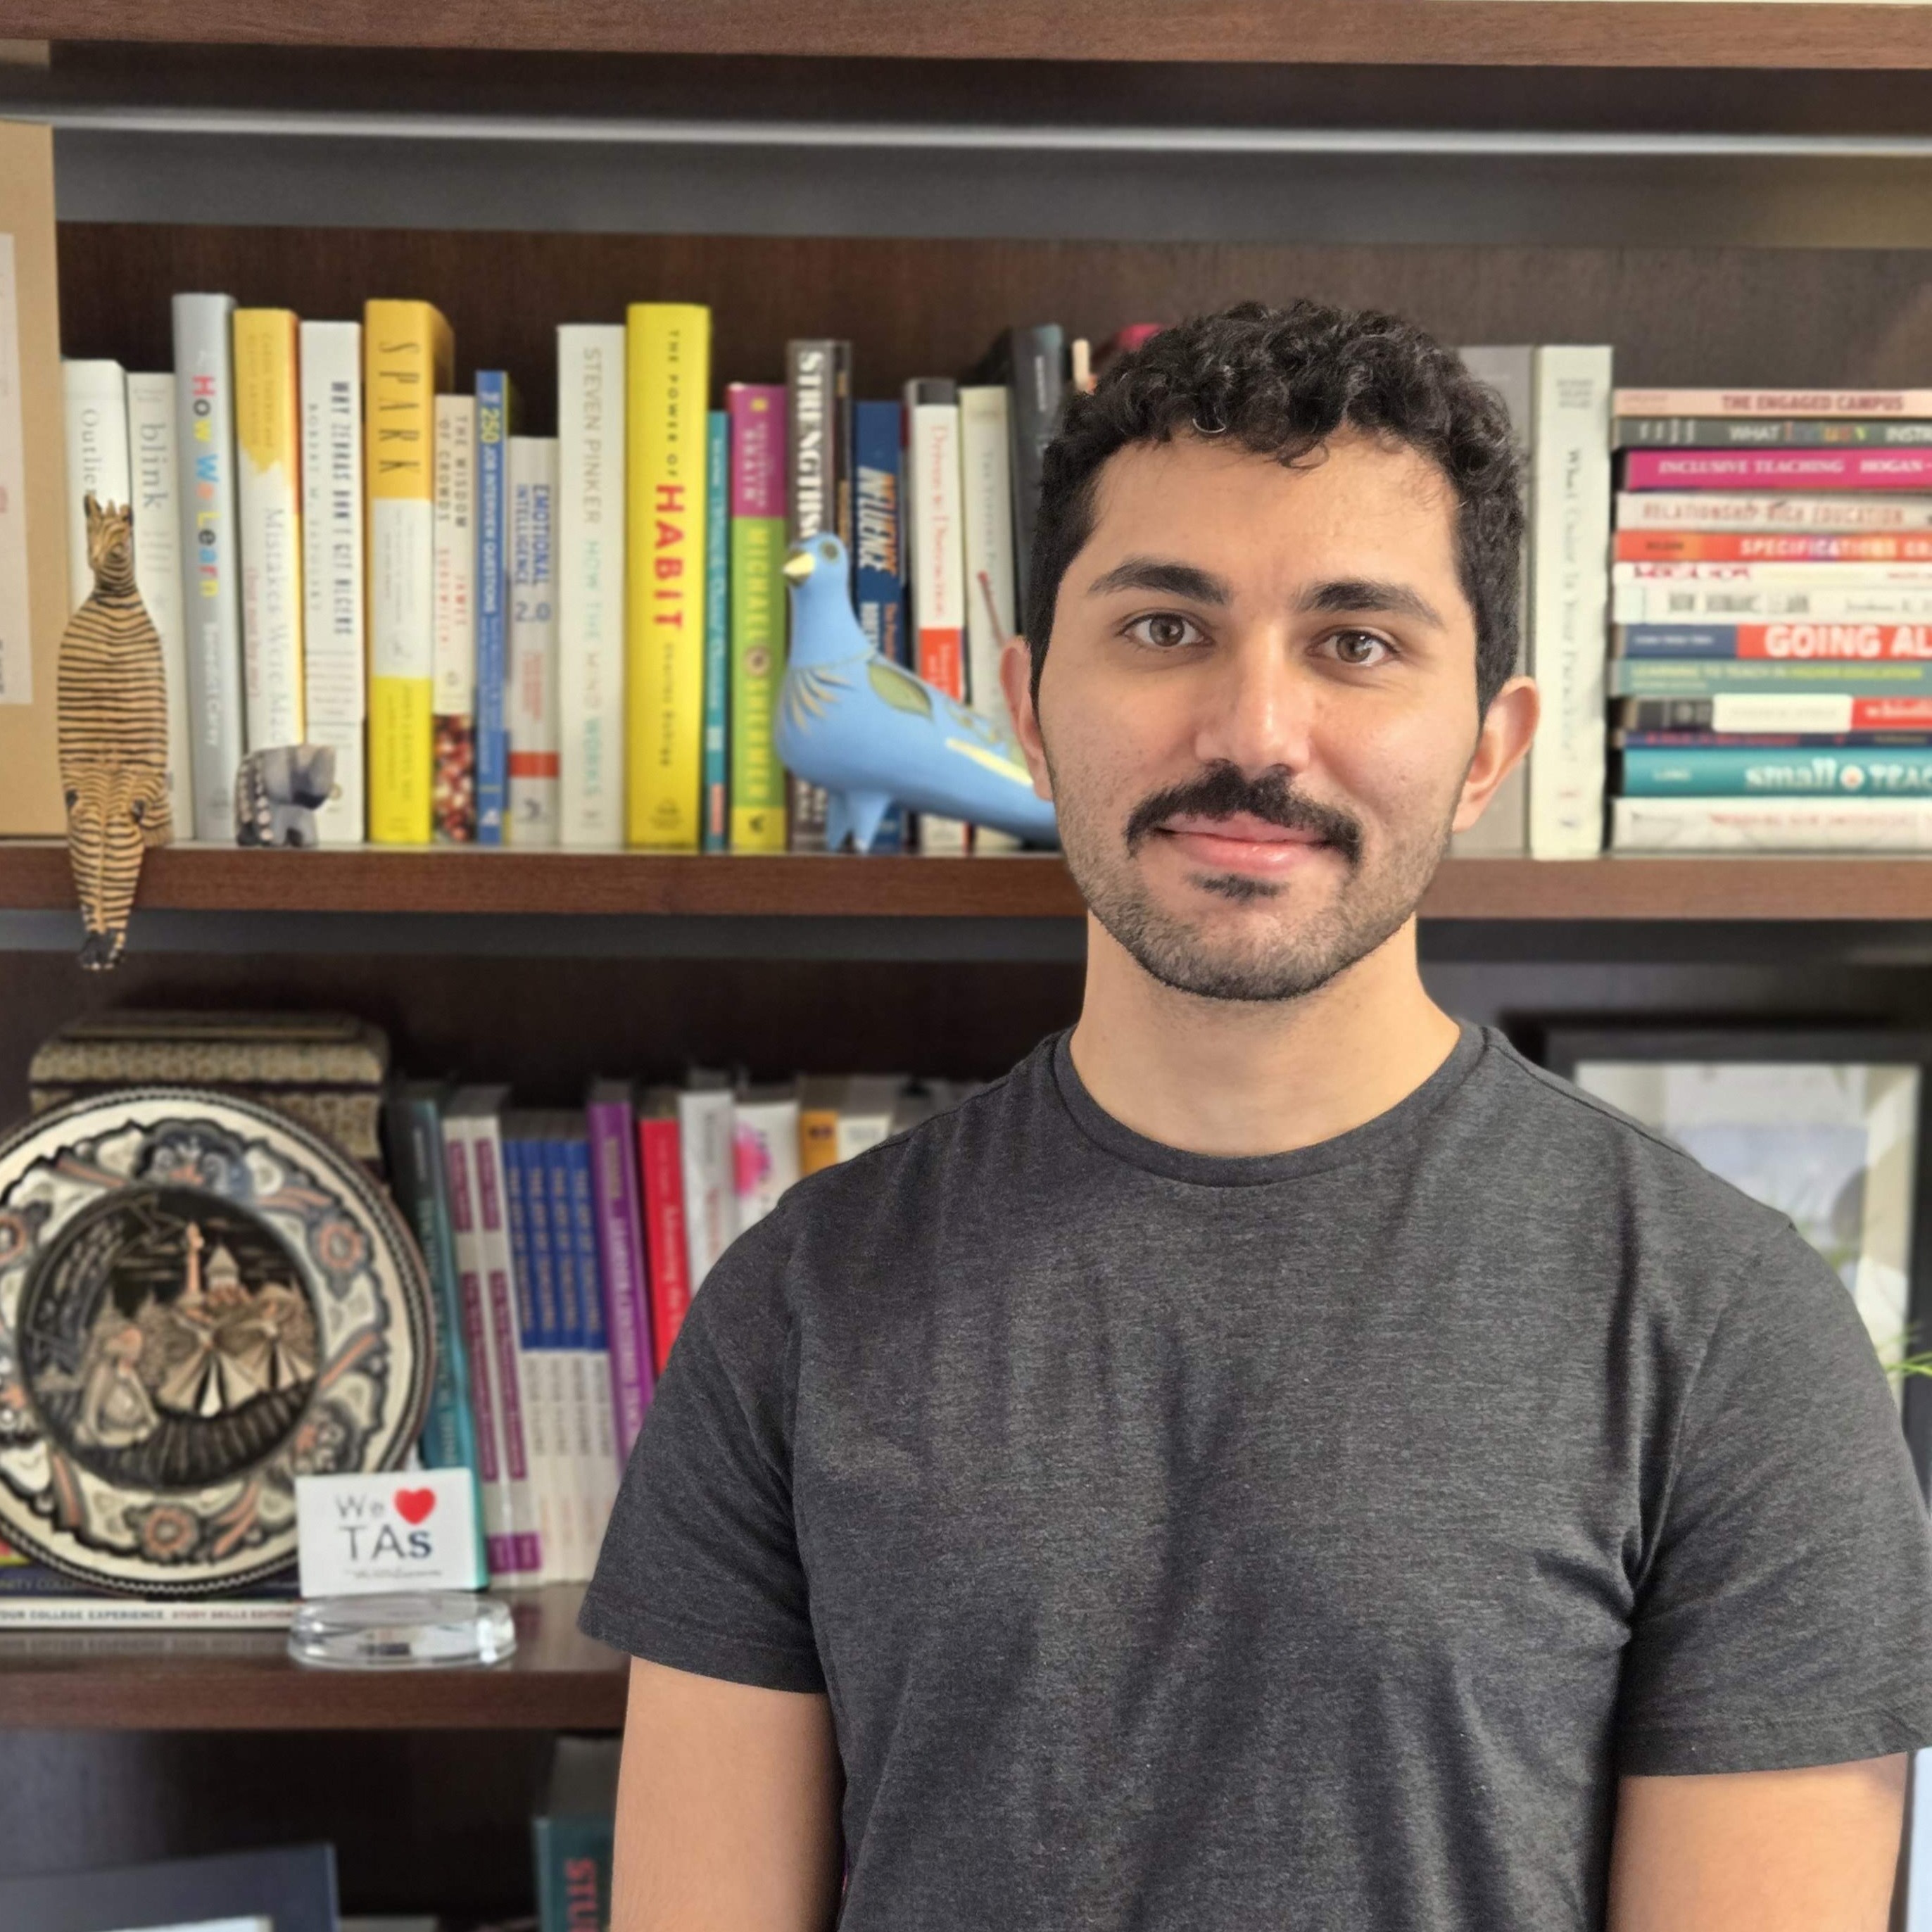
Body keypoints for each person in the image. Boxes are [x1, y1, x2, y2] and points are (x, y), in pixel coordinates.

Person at [580, 301, 1932, 1931]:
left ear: (1489, 745)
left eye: (1355, 643)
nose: (1250, 735)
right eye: (1163, 628)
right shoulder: (796, 1302)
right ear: (1024, 696)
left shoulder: (1725, 1330)